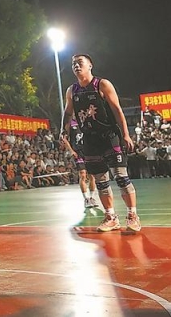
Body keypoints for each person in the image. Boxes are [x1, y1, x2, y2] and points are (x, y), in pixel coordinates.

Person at [60, 54, 141, 232]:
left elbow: (117, 110)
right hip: (89, 139)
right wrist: (63, 130)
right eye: (73, 64)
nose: (76, 66)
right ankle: (111, 217)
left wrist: (126, 135)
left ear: (90, 65)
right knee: (101, 180)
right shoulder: (71, 91)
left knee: (121, 177)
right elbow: (68, 113)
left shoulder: (102, 84)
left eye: (80, 62)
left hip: (109, 136)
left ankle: (132, 215)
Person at [59, 120, 100, 209]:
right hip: (78, 152)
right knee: (82, 174)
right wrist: (71, 151)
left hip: (89, 151)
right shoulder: (70, 123)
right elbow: (64, 138)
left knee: (92, 176)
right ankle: (86, 199)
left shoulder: (87, 120)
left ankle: (92, 197)